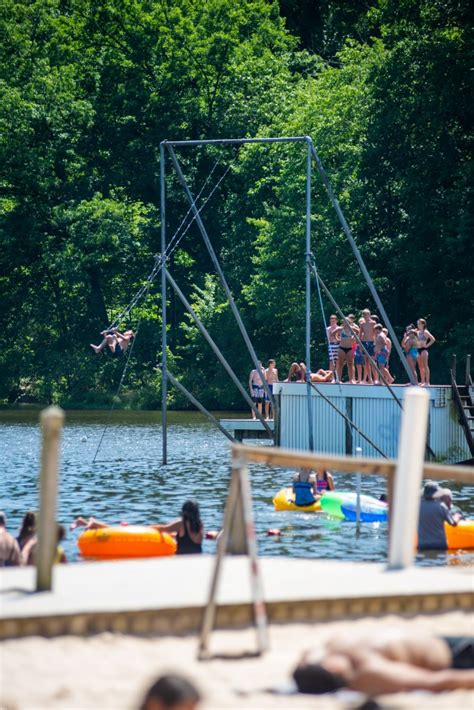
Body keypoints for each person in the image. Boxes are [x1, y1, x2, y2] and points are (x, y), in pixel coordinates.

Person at [293, 628, 474, 696]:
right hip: (459, 655)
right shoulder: (371, 671)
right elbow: (436, 682)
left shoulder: (330, 648)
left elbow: (306, 656)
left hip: (440, 641)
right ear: (332, 668)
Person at [418, 481, 460, 550]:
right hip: (439, 545)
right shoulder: (441, 506)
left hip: (423, 545)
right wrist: (457, 516)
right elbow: (453, 523)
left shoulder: (417, 506)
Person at [335, 315, 358, 383]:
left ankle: (352, 379)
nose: (346, 323)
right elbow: (333, 333)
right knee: (340, 364)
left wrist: (354, 337)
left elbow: (359, 331)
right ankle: (338, 379)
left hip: (350, 348)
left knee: (350, 364)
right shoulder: (340, 329)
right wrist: (337, 339)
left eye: (347, 322)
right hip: (342, 347)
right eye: (345, 321)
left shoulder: (352, 329)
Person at [359, 309, 377, 384]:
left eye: (366, 314)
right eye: (364, 314)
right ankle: (370, 379)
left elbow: (375, 333)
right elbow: (360, 334)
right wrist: (360, 345)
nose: (365, 315)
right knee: (366, 362)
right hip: (364, 342)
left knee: (372, 361)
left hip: (371, 342)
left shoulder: (373, 323)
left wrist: (376, 344)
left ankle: (376, 379)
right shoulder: (362, 324)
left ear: (369, 314)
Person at [417, 318, 436, 386]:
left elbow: (433, 339)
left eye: (419, 323)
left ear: (423, 324)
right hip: (418, 349)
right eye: (418, 323)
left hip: (423, 349)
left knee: (425, 366)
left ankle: (427, 382)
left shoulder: (425, 332)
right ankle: (422, 381)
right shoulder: (418, 332)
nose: (418, 325)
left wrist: (427, 345)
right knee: (420, 366)